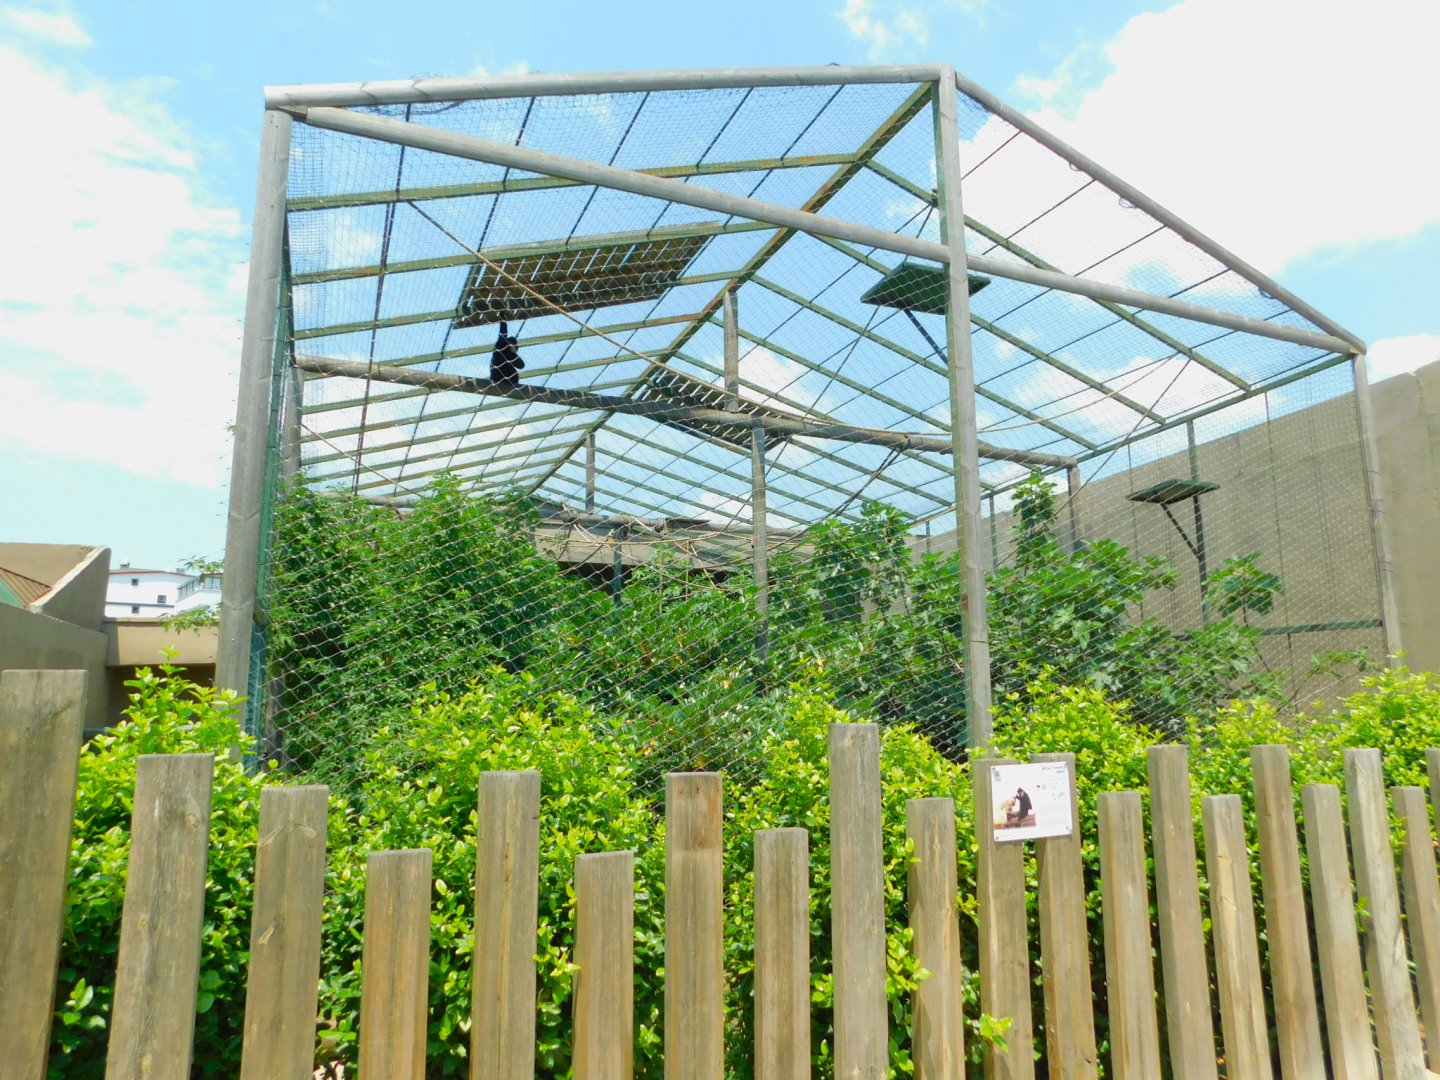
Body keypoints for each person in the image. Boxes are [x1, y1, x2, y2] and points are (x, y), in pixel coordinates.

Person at [490, 319, 525, 387]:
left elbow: (521, 365)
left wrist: (513, 353)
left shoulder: (511, 355)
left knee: (509, 363)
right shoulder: (500, 345)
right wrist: (503, 319)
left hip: (509, 380)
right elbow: (503, 333)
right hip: (498, 376)